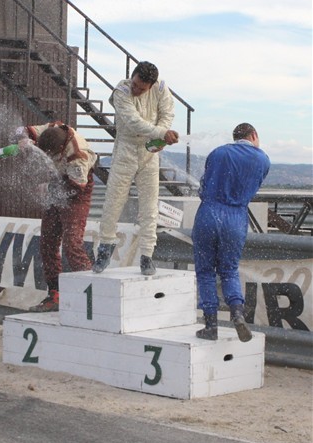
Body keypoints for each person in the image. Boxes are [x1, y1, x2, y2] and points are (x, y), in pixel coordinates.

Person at [92, 61, 179, 276]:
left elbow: (167, 113)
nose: (136, 90)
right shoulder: (121, 91)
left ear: (151, 85)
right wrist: (161, 134)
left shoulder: (161, 89)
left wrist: (162, 133)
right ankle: (105, 247)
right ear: (132, 77)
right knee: (114, 200)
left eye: (141, 88)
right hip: (125, 150)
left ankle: (147, 255)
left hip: (149, 153)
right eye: (135, 84)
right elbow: (133, 121)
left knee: (150, 206)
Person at [192, 123, 270, 342]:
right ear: (254, 135)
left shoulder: (218, 152)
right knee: (229, 270)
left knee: (206, 271)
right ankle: (237, 313)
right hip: (236, 218)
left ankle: (211, 325)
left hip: (209, 212)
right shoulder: (263, 160)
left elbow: (203, 186)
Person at [14, 122, 98, 312]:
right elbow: (22, 129)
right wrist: (22, 138)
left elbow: (75, 188)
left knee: (72, 244)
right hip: (59, 180)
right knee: (48, 242)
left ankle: (92, 296)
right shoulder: (52, 128)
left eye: (51, 155)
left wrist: (49, 188)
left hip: (77, 190)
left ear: (61, 149)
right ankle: (55, 295)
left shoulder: (78, 156)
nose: (48, 159)